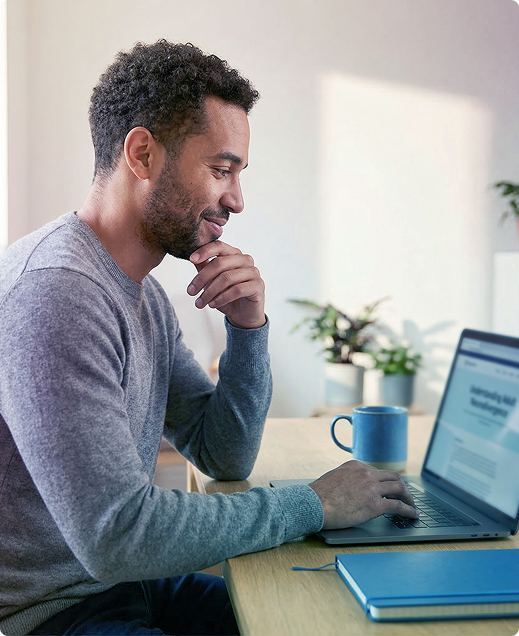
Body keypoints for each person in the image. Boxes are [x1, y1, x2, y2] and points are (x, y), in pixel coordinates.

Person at [0, 40, 417, 636]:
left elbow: (222, 453)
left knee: (315, 619)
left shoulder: (138, 292)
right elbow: (119, 536)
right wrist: (315, 503)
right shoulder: (57, 293)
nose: (236, 200)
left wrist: (248, 327)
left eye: (238, 174)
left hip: (113, 587)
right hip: (48, 615)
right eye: (221, 170)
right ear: (142, 154)